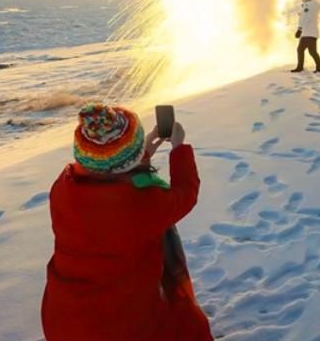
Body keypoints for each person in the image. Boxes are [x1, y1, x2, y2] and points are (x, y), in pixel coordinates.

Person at [41, 103, 213, 341]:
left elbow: (109, 171)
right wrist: (178, 148)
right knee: (182, 327)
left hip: (63, 317)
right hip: (116, 324)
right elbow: (184, 195)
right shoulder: (139, 204)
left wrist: (144, 148)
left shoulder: (63, 186)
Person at [291, 0, 320, 73]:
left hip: (308, 33)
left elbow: (306, 18)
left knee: (309, 51)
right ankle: (302, 67)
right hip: (310, 32)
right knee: (305, 50)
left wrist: (299, 29)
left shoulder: (308, 5)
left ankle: (317, 67)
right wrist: (301, 13)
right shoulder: (313, 5)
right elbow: (307, 15)